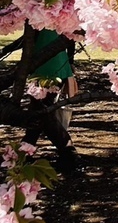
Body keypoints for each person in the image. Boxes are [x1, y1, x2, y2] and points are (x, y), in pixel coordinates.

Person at [22, 29, 80, 173]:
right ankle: (25, 150)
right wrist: (70, 61)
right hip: (59, 64)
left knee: (42, 111)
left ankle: (68, 152)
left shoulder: (35, 12)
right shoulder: (61, 13)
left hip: (43, 66)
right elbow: (70, 37)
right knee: (39, 111)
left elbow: (29, 40)